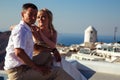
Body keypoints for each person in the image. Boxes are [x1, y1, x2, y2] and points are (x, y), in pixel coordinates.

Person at [4, 3, 74, 80]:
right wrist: (38, 68)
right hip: (18, 73)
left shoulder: (27, 29)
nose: (34, 17)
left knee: (47, 57)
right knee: (58, 72)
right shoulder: (22, 30)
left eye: (35, 15)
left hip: (23, 67)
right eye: (30, 14)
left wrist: (54, 50)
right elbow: (19, 52)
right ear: (22, 14)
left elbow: (36, 47)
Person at [31, 8, 86, 80]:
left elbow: (53, 45)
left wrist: (41, 34)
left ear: (49, 19)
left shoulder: (52, 32)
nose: (40, 19)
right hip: (37, 58)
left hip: (47, 57)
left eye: (43, 16)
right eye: (38, 17)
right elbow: (37, 47)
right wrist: (53, 50)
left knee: (66, 66)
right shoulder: (33, 29)